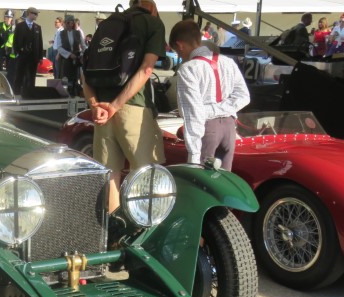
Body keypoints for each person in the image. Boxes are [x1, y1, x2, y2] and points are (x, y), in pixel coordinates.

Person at [81, 0, 166, 213]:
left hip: (102, 111)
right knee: (145, 173)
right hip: (133, 107)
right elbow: (147, 69)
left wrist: (95, 105)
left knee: (109, 174)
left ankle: (113, 225)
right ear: (151, 6)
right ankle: (143, 226)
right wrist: (116, 105)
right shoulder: (152, 23)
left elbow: (86, 73)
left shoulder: (107, 24)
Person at [170, 20, 249, 170]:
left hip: (206, 129)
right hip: (229, 128)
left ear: (180, 45)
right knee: (224, 179)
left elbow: (193, 114)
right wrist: (222, 109)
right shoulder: (228, 62)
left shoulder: (188, 69)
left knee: (201, 180)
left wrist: (193, 158)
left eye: (177, 52)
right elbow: (243, 96)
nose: (180, 56)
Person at [13, 7, 43, 96]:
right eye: (35, 14)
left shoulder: (37, 27)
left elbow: (40, 43)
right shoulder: (20, 26)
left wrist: (40, 57)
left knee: (31, 77)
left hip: (33, 57)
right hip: (22, 55)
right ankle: (16, 93)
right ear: (29, 13)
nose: (36, 16)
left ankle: (30, 93)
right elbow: (15, 41)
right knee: (19, 75)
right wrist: (17, 53)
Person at [56, 15, 84, 96]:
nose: (68, 24)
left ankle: (74, 93)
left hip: (76, 59)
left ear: (73, 23)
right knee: (65, 77)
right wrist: (69, 54)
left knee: (75, 77)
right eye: (67, 23)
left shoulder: (77, 33)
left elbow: (83, 45)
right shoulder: (61, 33)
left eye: (70, 23)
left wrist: (83, 54)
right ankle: (65, 94)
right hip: (65, 59)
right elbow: (59, 47)